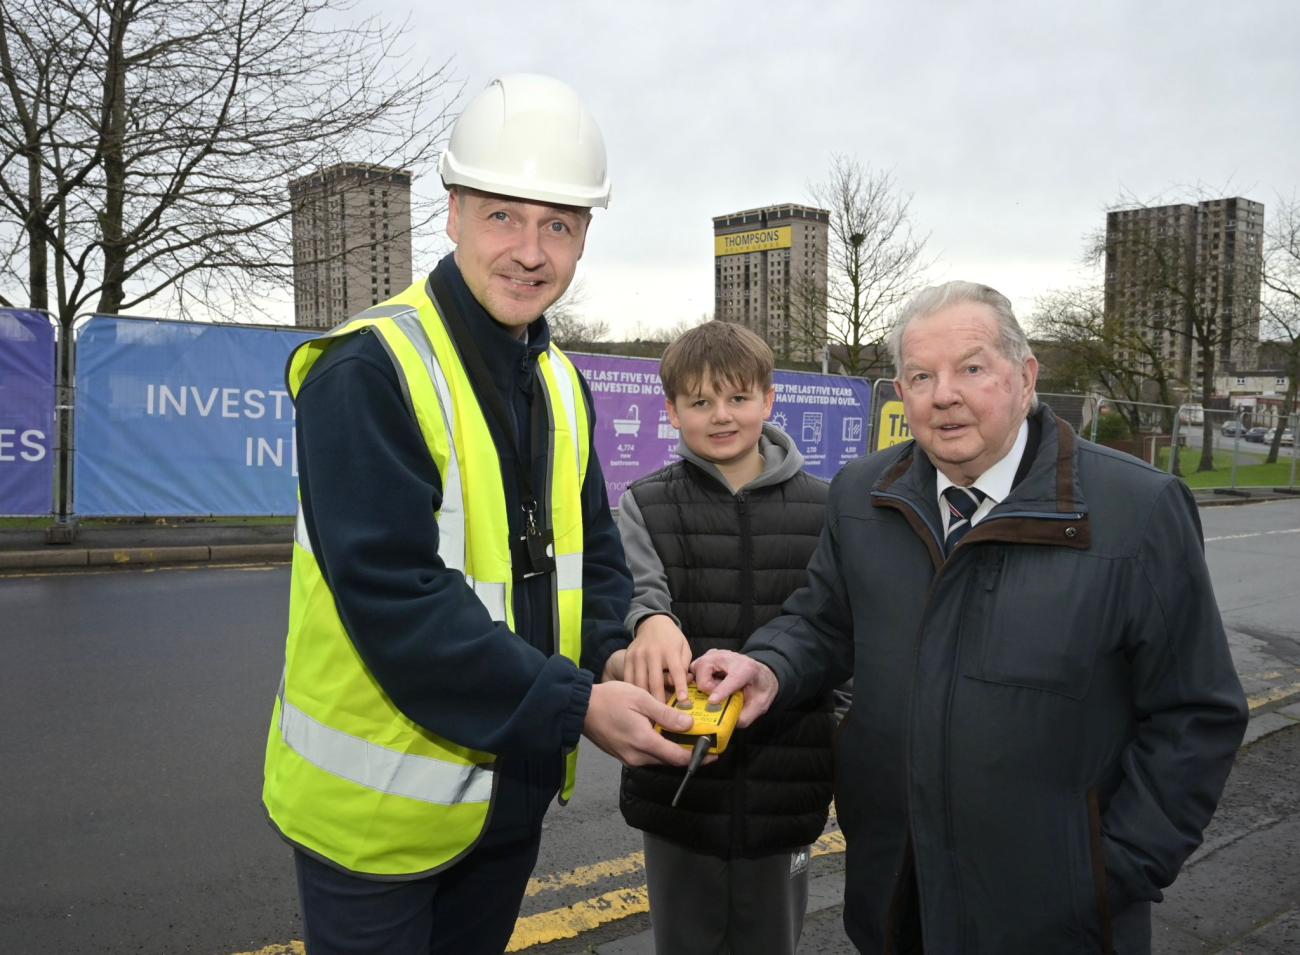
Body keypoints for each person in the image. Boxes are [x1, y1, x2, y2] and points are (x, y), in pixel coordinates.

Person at [261, 73, 693, 955]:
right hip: (374, 820)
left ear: (584, 240)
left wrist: (626, 640)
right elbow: (397, 598)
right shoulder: (368, 369)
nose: (531, 251)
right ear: (453, 212)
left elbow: (594, 554)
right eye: (503, 216)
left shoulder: (562, 383)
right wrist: (579, 705)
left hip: (505, 797)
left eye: (560, 226)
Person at [693, 281, 1248, 954]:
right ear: (901, 391)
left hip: (1056, 916)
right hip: (898, 890)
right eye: (921, 375)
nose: (943, 394)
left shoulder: (1139, 508)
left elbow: (1197, 712)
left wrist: (1112, 869)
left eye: (972, 368)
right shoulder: (861, 495)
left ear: (1025, 376)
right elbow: (823, 622)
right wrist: (770, 663)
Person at [606, 320, 837, 955]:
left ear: (768, 399)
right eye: (700, 401)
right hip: (676, 782)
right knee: (684, 942)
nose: (721, 415)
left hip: (786, 774)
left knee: (771, 941)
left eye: (737, 397)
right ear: (672, 412)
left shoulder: (827, 506)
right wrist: (646, 625)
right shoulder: (646, 504)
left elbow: (838, 632)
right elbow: (634, 594)